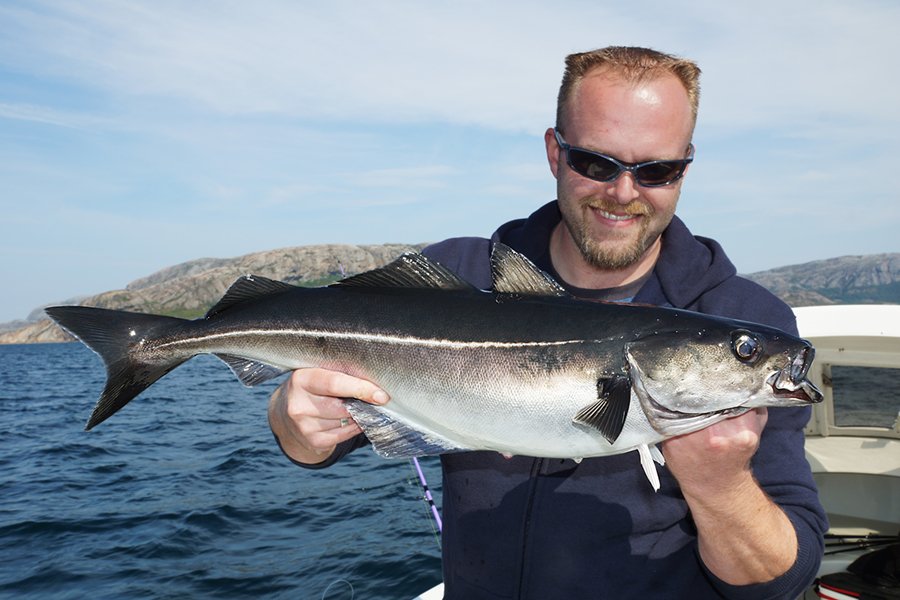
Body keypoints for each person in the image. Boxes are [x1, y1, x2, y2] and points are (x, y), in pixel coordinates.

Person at [268, 46, 827, 599]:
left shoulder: (745, 316)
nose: (623, 193)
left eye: (656, 170)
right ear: (555, 153)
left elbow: (781, 579)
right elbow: (317, 439)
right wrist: (296, 427)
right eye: (596, 163)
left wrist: (721, 486)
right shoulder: (456, 278)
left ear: (684, 168)